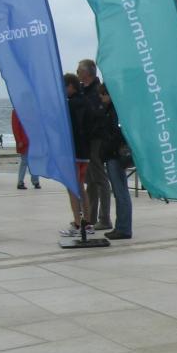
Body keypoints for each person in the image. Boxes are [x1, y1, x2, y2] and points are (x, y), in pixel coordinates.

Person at [77, 59, 113, 231]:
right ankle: (90, 217)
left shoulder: (96, 91)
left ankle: (104, 218)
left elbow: (97, 116)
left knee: (100, 178)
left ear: (87, 73)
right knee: (90, 179)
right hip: (87, 140)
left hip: (97, 139)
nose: (77, 74)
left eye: (79, 71)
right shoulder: (83, 91)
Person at [97, 84, 132, 240]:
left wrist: (108, 148)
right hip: (112, 154)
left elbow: (116, 134)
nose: (101, 98)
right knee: (120, 192)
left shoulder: (115, 112)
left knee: (120, 192)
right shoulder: (112, 110)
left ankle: (123, 228)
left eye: (103, 95)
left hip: (115, 155)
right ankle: (121, 226)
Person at [60, 73, 92, 236]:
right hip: (85, 152)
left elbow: (66, 128)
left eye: (64, 87)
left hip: (73, 152)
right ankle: (87, 222)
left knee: (72, 188)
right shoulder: (86, 101)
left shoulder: (70, 105)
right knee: (81, 187)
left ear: (71, 86)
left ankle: (78, 223)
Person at [11, 110, 40, 190]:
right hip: (24, 142)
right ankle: (20, 182)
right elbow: (15, 128)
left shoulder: (30, 110)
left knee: (34, 161)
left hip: (33, 141)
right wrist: (19, 140)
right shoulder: (16, 111)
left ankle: (35, 181)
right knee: (24, 162)